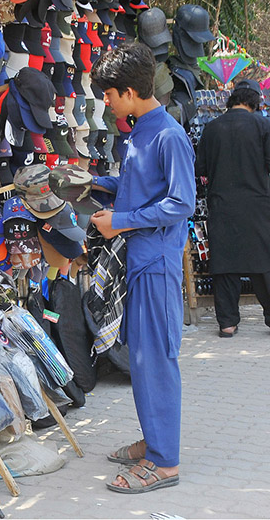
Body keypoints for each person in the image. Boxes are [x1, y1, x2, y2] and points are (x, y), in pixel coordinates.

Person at [88, 43, 196, 493]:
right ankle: (154, 442)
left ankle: (165, 462)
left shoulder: (168, 135)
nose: (106, 102)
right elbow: (137, 185)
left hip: (156, 263)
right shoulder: (140, 131)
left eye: (109, 95)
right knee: (142, 358)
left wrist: (122, 221)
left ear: (129, 92)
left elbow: (180, 203)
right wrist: (88, 182)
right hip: (140, 261)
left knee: (156, 360)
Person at [194, 79, 270, 337]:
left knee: (225, 264)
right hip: (258, 206)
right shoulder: (264, 126)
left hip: (222, 205)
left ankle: (227, 323)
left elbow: (200, 168)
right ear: (255, 101)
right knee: (264, 262)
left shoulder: (212, 129)